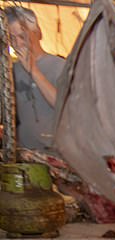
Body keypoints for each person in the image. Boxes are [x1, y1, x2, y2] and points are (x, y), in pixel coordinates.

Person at [4, 6, 66, 151]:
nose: (18, 44)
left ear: (38, 33)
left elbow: (64, 107)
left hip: (56, 154)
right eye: (11, 38)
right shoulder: (12, 71)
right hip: (24, 153)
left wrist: (34, 70)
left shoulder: (60, 66)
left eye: (22, 36)